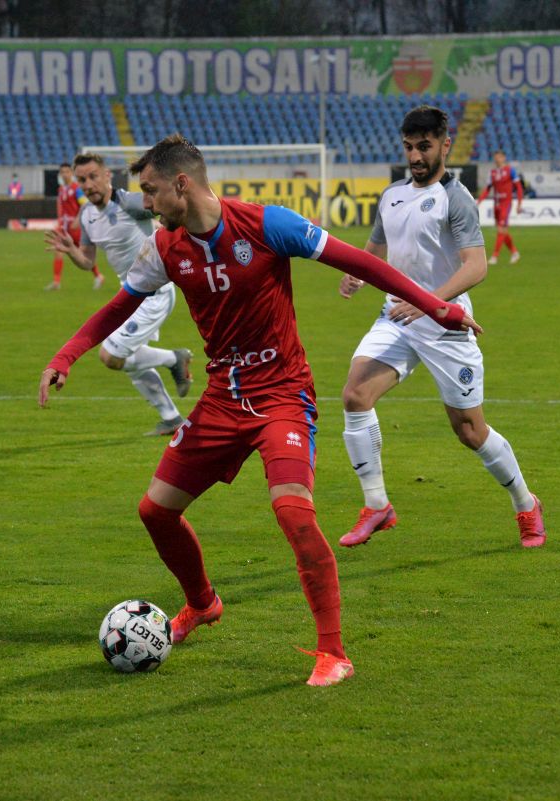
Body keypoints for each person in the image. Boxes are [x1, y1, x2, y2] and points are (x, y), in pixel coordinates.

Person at [39, 134, 481, 686]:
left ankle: (333, 652)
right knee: (155, 512)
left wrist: (436, 306)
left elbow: (364, 263)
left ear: (182, 183)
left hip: (281, 397)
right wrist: (67, 355)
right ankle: (202, 604)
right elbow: (117, 306)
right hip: (222, 398)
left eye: (151, 191)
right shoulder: (164, 249)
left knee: (295, 514)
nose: (145, 203)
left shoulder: (269, 224)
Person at [337, 106, 545, 549]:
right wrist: (358, 272)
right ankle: (377, 506)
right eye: (409, 147)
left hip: (444, 323)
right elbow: (377, 249)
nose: (415, 156)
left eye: (424, 147)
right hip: (397, 317)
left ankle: (526, 503)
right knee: (355, 395)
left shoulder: (457, 198)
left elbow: (475, 267)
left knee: (470, 431)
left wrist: (429, 302)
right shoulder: (391, 195)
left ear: (444, 145)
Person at [46, 152, 194, 436]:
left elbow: (175, 210)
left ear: (107, 176)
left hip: (155, 292)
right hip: (129, 295)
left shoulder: (129, 202)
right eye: (81, 180)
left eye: (92, 177)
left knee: (111, 355)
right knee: (128, 360)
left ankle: (174, 359)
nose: (88, 185)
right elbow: (88, 262)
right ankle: (172, 418)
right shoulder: (87, 215)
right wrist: (71, 250)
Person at [45, 163, 103, 291]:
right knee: (58, 251)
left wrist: (78, 219)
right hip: (65, 227)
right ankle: (56, 282)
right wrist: (59, 221)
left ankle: (98, 276)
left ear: (71, 173)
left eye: (67, 171)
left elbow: (84, 204)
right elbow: (61, 207)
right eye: (62, 172)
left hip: (76, 228)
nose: (64, 174)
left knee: (83, 255)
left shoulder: (77, 189)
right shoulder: (61, 189)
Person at [476, 149, 523, 265]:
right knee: (502, 230)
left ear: (503, 158)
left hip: (506, 203)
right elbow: (487, 189)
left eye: (499, 157)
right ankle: (514, 252)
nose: (497, 159)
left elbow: (519, 187)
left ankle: (494, 256)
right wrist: (479, 201)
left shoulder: (510, 170)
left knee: (501, 229)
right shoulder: (492, 172)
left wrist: (519, 204)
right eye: (495, 157)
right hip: (496, 203)